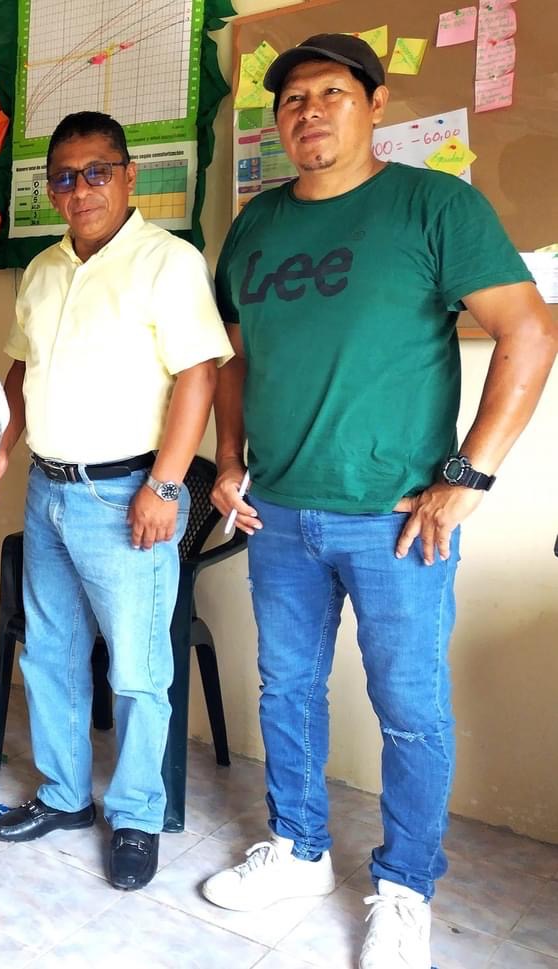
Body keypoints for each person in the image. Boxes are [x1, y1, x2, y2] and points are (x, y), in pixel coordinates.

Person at [201, 35, 557, 968]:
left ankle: (404, 887)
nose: (309, 111)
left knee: (409, 708)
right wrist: (227, 461)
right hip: (279, 512)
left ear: (375, 104)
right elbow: (233, 355)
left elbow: (529, 330)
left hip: (396, 520)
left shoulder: (433, 205)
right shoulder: (256, 223)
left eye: (331, 92)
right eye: (292, 99)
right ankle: (299, 849)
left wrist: (468, 476)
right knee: (287, 689)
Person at [0, 111, 233, 891]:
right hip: (49, 489)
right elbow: (21, 369)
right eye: (64, 176)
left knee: (136, 668)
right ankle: (64, 794)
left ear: (128, 176)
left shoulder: (168, 261)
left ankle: (135, 814)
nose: (80, 188)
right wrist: (0, 447)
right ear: (51, 189)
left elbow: (199, 374)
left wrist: (166, 485)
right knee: (50, 654)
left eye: (97, 171)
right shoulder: (42, 269)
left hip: (128, 493)